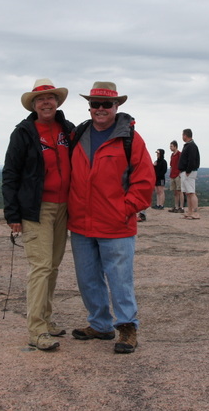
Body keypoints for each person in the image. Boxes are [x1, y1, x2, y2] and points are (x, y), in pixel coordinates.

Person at [68, 81, 154, 354]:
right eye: (96, 104)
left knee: (120, 279)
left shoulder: (130, 139)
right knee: (87, 278)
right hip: (81, 222)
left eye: (107, 104)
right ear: (89, 106)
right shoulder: (79, 134)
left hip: (116, 224)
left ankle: (127, 328)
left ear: (117, 107)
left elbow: (144, 181)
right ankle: (100, 324)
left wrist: (123, 209)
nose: (101, 109)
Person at [2, 78, 75, 352]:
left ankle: (46, 319)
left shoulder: (67, 129)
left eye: (51, 98)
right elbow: (10, 174)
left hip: (64, 207)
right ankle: (36, 330)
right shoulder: (23, 132)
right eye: (41, 99)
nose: (46, 102)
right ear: (33, 105)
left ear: (57, 102)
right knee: (41, 266)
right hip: (36, 208)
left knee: (53, 266)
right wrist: (13, 214)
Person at [179, 128, 201, 220]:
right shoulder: (188, 145)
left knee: (191, 192)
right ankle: (189, 211)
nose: (182, 136)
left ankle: (195, 213)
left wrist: (188, 171)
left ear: (185, 135)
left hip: (189, 172)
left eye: (182, 135)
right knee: (188, 193)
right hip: (185, 172)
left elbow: (192, 160)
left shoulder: (191, 146)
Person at [167, 140, 184, 213]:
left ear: (175, 146)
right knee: (175, 192)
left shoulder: (179, 154)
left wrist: (180, 173)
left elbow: (182, 163)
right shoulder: (172, 155)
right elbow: (171, 165)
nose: (170, 147)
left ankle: (181, 207)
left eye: (171, 146)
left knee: (180, 191)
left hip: (178, 174)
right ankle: (176, 207)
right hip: (173, 174)